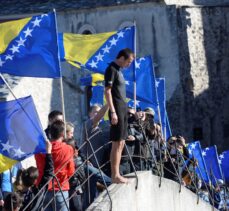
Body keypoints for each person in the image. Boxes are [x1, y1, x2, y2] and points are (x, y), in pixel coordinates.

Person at [104, 48, 134, 184]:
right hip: (116, 111)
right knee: (117, 142)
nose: (129, 64)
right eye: (129, 61)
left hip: (123, 110)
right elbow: (107, 92)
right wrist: (113, 111)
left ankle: (118, 173)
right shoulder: (111, 69)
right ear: (122, 58)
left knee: (122, 142)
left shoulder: (119, 71)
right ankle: (115, 175)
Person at [35, 120, 75, 211]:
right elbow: (71, 171)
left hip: (44, 188)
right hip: (61, 187)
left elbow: (39, 166)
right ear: (62, 134)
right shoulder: (68, 149)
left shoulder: (40, 149)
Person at [14, 141, 53, 211]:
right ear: (35, 181)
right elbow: (49, 172)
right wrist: (49, 152)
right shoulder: (38, 193)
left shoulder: (15, 196)